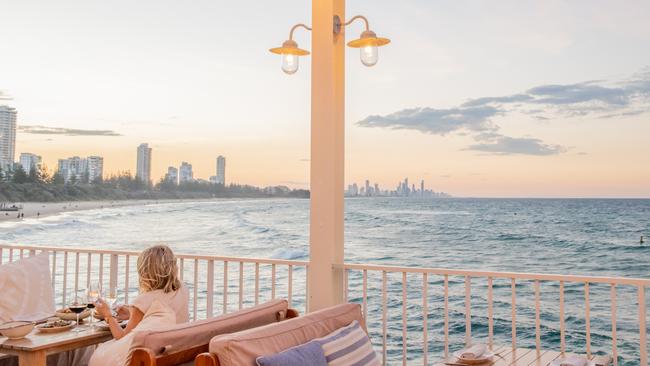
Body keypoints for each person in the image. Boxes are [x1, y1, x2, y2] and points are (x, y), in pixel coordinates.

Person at [89, 245, 188, 366]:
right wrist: (131, 312)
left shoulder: (143, 300)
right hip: (172, 351)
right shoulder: (182, 288)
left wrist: (108, 315)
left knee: (98, 350)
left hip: (145, 356)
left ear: (144, 272)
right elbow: (161, 313)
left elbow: (121, 337)